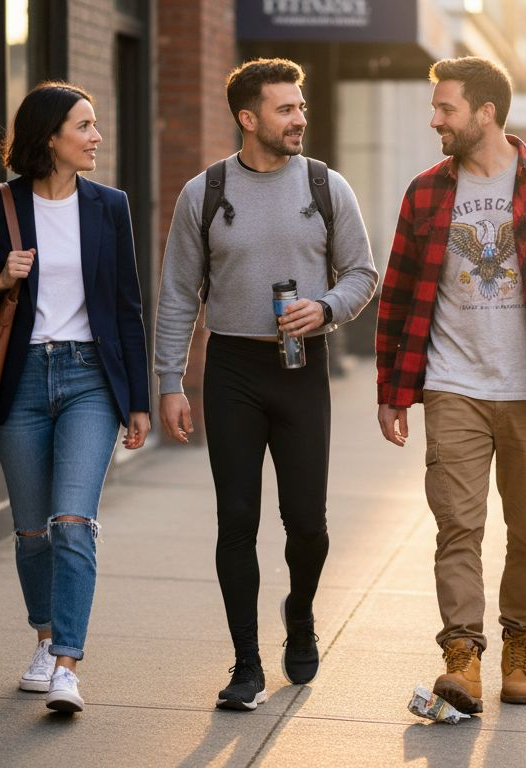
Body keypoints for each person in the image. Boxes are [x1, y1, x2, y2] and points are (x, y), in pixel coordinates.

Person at [374, 56, 526, 715]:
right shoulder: (426, 193)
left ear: (485, 113)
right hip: (452, 384)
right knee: (458, 525)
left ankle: (519, 646)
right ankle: (462, 657)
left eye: (446, 108)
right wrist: (392, 390)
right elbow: (395, 298)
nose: (435, 119)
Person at [154, 58, 378, 711]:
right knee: (237, 521)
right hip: (232, 372)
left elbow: (363, 273)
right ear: (248, 118)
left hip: (303, 369)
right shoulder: (205, 192)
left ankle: (300, 614)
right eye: (286, 109)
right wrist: (172, 381)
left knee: (307, 524)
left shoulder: (325, 185)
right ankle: (245, 663)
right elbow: (176, 296)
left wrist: (327, 307)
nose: (300, 118)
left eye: (301, 106)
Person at [0, 81, 151, 714]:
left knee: (72, 522)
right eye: (84, 126)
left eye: (94, 125)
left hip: (91, 378)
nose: (96, 137)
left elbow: (125, 307)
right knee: (33, 531)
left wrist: (137, 399)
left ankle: (67, 663)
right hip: (22, 379)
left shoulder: (109, 206)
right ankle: (43, 639)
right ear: (50, 137)